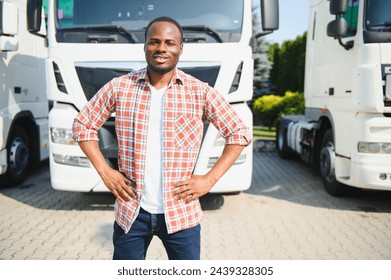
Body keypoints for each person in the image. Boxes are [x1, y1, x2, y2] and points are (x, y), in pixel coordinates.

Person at [72, 16, 251, 260]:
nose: (161, 49)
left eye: (169, 43)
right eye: (154, 42)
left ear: (180, 48)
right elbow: (83, 125)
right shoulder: (120, 87)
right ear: (145, 46)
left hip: (181, 214)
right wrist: (106, 172)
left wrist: (209, 180)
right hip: (131, 212)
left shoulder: (199, 91)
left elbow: (238, 133)